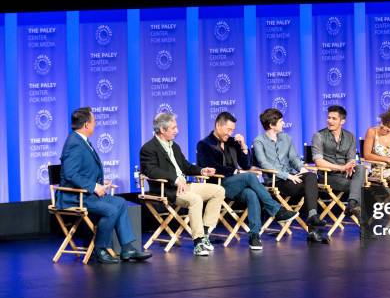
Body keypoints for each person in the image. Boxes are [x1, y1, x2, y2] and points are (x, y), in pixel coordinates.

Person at [57, 107, 151, 264]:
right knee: (110, 210)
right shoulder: (74, 143)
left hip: (85, 194)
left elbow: (83, 170)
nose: (95, 124)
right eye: (94, 121)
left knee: (120, 202)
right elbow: (70, 174)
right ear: (86, 125)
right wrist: (94, 186)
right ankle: (100, 249)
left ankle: (127, 248)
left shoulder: (81, 140)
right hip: (74, 197)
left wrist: (100, 183)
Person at [196, 112, 298, 251]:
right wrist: (237, 172)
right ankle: (276, 210)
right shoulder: (204, 144)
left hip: (235, 184)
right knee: (250, 177)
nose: (230, 133)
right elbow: (212, 167)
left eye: (232, 130)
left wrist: (243, 146)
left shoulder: (231, 142)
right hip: (217, 185)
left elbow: (246, 165)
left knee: (251, 194)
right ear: (218, 126)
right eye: (228, 130)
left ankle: (254, 236)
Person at [140, 113, 226, 257]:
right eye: (173, 128)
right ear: (162, 129)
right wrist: (175, 179)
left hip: (185, 185)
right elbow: (152, 171)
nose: (177, 131)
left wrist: (202, 170)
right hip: (167, 189)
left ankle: (204, 233)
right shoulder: (148, 148)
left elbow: (185, 167)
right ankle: (198, 242)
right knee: (195, 200)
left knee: (218, 190)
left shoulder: (175, 146)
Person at [253, 108, 328, 244]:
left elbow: (293, 159)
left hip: (292, 178)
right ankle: (313, 229)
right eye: (281, 121)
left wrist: (302, 169)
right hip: (276, 181)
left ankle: (312, 216)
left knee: (310, 177)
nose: (283, 123)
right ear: (271, 125)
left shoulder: (286, 138)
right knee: (310, 188)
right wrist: (286, 175)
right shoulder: (259, 141)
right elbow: (264, 164)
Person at [311, 105, 366, 221]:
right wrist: (341, 168)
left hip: (345, 175)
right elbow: (319, 162)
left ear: (342, 121)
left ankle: (351, 204)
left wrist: (350, 166)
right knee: (360, 187)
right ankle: (354, 206)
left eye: (333, 118)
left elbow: (351, 159)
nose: (329, 121)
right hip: (327, 176)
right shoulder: (319, 136)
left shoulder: (350, 136)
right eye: (328, 118)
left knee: (361, 168)